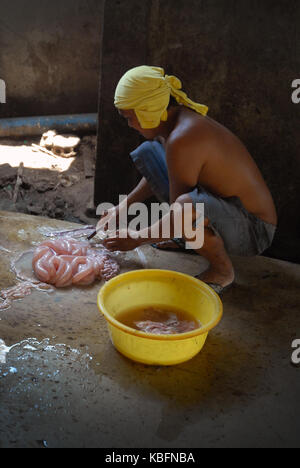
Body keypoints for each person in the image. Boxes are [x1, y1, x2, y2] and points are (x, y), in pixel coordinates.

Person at [97, 65, 277, 294]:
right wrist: (123, 206)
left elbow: (182, 211)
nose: (130, 125)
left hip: (255, 229)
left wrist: (136, 238)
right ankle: (186, 238)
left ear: (148, 110)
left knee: (184, 209)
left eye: (130, 118)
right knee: (149, 154)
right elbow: (171, 179)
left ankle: (222, 272)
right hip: (225, 208)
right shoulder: (176, 123)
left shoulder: (183, 138)